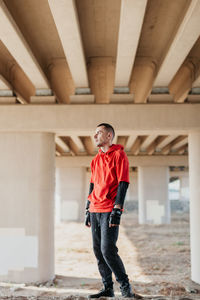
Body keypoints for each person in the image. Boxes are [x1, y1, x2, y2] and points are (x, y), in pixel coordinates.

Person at [85, 123, 141, 299]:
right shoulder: (95, 160)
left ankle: (126, 287)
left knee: (108, 250)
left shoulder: (119, 155)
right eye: (94, 133)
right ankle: (107, 288)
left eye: (99, 133)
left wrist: (118, 208)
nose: (95, 136)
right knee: (97, 250)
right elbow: (92, 185)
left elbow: (123, 182)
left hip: (110, 209)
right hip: (95, 208)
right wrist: (87, 208)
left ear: (109, 136)